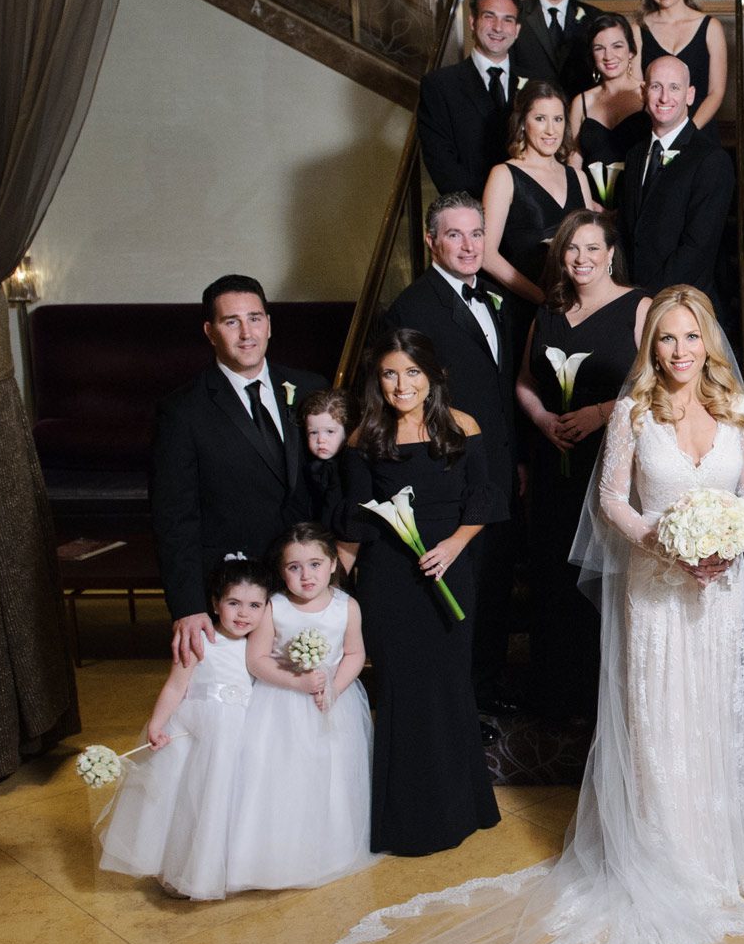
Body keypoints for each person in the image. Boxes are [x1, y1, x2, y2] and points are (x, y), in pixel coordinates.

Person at [328, 287, 744, 944]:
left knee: (714, 715)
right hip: (655, 589)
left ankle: (715, 852)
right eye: (664, 337)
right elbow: (610, 503)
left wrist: (725, 548)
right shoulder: (631, 410)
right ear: (651, 346)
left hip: (718, 593)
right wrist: (667, 543)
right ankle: (661, 853)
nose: (676, 350)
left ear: (708, 341)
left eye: (688, 336)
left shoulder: (738, 405)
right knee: (658, 721)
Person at [342, 330, 505, 856]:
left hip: (449, 572)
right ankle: (406, 821)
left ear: (432, 376)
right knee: (401, 691)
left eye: (412, 372)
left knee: (449, 686)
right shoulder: (364, 437)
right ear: (377, 380)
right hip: (389, 581)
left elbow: (483, 497)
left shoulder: (463, 427)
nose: (401, 384)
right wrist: (329, 595)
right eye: (389, 373)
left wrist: (455, 546)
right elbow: (353, 522)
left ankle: (464, 808)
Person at [384, 193, 521, 717]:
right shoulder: (413, 307)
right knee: (461, 590)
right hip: (450, 468)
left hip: (497, 464)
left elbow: (496, 387)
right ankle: (460, 706)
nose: (468, 246)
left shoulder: (488, 296)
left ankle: (483, 690)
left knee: (494, 583)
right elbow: (402, 395)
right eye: (455, 235)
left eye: (476, 234)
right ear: (431, 241)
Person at [514, 211, 651, 718]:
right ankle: (559, 699)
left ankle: (607, 705)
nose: (582, 259)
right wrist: (544, 419)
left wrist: (599, 414)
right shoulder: (547, 311)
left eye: (593, 248)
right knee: (554, 576)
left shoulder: (640, 307)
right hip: (555, 462)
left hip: (612, 464)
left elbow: (658, 390)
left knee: (606, 582)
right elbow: (526, 382)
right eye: (572, 249)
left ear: (611, 253)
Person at [152, 274, 327, 667]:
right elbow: (174, 517)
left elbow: (332, 484)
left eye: (255, 318)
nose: (247, 333)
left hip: (305, 581)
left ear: (269, 323)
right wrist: (187, 606)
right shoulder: (182, 411)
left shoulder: (310, 388)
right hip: (235, 593)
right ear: (210, 331)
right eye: (232, 322)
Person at [97, 556, 268, 900]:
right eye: (234, 603)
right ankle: (179, 867)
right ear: (215, 603)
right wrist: (157, 725)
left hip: (239, 734)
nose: (243, 614)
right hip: (195, 730)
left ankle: (227, 867)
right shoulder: (200, 640)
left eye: (254, 605)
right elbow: (175, 687)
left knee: (228, 801)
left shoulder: (258, 646)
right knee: (187, 801)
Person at [231, 523, 377, 888]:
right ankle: (272, 852)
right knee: (280, 774)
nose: (306, 575)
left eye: (315, 564)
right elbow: (257, 659)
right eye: (294, 567)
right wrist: (298, 682)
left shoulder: (347, 606)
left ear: (332, 565)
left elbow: (355, 653)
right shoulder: (275, 608)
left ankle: (330, 849)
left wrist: (335, 688)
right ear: (282, 572)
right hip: (279, 703)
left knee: (331, 771)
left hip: (331, 703)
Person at [616, 55, 736, 309]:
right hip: (632, 300)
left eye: (674, 88)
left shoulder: (711, 160)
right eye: (656, 86)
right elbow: (628, 233)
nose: (664, 98)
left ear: (690, 95)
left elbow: (697, 248)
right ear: (643, 91)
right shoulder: (635, 155)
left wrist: (648, 299)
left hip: (682, 304)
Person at [480, 80, 593, 308]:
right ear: (522, 123)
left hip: (579, 305)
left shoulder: (577, 177)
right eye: (540, 119)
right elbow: (486, 255)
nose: (551, 130)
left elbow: (593, 244)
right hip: (528, 306)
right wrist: (542, 299)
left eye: (558, 119)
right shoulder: (504, 175)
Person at [417, 0, 524, 198]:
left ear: (517, 30)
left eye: (507, 20)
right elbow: (441, 162)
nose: (498, 27)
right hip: (471, 215)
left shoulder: (534, 85)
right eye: (489, 16)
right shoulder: (440, 85)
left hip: (527, 217)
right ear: (473, 22)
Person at [634, 0, 726, 130]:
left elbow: (716, 92)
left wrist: (688, 132)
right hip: (654, 128)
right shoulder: (638, 29)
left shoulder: (711, 27)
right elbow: (638, 91)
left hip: (699, 127)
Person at [568, 13, 650, 185]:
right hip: (591, 205)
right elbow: (574, 161)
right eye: (599, 48)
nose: (608, 56)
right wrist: (585, 203)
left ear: (631, 51)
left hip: (639, 202)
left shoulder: (647, 94)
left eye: (617, 46)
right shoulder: (581, 102)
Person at [299, 387, 353, 537]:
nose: (321, 440)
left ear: (348, 432)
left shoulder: (349, 469)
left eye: (330, 432)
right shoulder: (310, 467)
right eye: (313, 432)